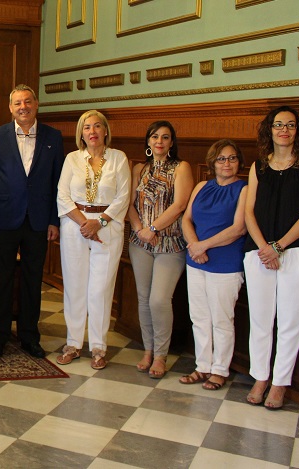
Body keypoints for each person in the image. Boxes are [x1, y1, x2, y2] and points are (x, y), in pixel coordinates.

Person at [243, 106, 299, 410]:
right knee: (261, 320)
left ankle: (279, 383)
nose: (284, 130)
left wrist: (279, 246)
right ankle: (260, 377)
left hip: (297, 251)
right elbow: (248, 211)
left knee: (289, 322)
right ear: (270, 130)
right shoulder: (258, 166)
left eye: (290, 125)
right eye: (278, 125)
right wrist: (265, 247)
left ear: (297, 131)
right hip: (259, 252)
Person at [0, 84, 64, 359]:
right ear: (10, 108)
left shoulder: (53, 137)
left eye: (27, 102)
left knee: (32, 281)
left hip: (39, 221)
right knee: (1, 280)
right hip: (4, 220)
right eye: (17, 103)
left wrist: (54, 220)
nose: (23, 107)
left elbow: (57, 184)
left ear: (36, 104)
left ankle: (30, 336)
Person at [55, 110, 130, 370]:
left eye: (97, 126)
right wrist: (84, 223)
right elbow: (62, 195)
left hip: (107, 227)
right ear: (81, 133)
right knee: (75, 286)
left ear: (106, 130)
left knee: (100, 289)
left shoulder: (118, 158)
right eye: (87, 127)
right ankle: (73, 343)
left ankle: (98, 347)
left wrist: (99, 222)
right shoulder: (72, 159)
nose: (92, 131)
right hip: (74, 226)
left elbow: (123, 196)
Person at [179, 140, 248, 390]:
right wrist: (195, 245)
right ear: (212, 162)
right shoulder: (201, 186)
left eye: (232, 158)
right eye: (221, 158)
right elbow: (186, 219)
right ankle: (202, 366)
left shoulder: (245, 189)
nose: (226, 163)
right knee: (199, 317)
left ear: (239, 162)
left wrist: (203, 246)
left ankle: (220, 369)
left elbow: (239, 228)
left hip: (225, 263)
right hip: (196, 260)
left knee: (221, 319)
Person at [127, 121, 193, 379]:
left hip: (170, 242)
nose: (160, 141)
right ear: (148, 140)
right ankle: (148, 349)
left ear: (172, 143)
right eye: (155, 136)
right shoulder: (139, 169)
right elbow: (128, 203)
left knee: (159, 299)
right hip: (139, 242)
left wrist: (152, 228)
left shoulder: (181, 168)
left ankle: (161, 355)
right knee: (143, 299)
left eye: (165, 138)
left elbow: (180, 205)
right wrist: (139, 228)